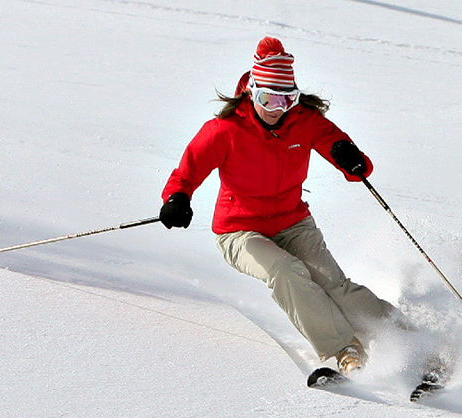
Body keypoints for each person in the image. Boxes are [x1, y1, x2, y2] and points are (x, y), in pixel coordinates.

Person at [158, 37, 394, 375]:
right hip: (240, 231)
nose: (276, 109)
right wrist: (176, 199)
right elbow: (186, 173)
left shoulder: (305, 122)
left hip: (292, 223)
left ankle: (404, 337)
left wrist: (352, 160)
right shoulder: (224, 131)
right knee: (287, 272)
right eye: (267, 98)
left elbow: (348, 155)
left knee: (332, 283)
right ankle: (345, 349)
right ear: (252, 91)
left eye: (286, 99)